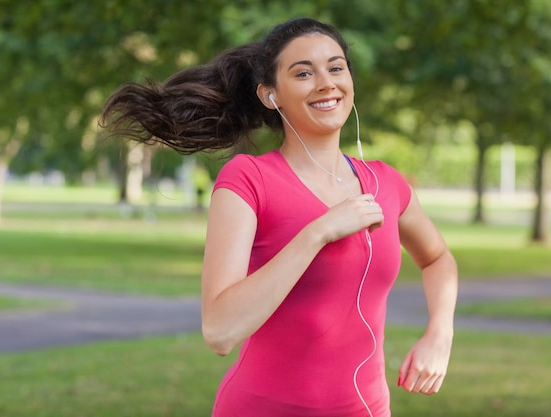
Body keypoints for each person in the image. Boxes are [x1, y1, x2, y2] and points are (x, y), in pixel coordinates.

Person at [101, 17, 458, 417]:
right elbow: (220, 331)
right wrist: (318, 232)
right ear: (271, 95)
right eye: (303, 73)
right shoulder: (248, 179)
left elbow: (438, 259)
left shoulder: (385, 183)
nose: (325, 82)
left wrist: (439, 333)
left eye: (336, 67)